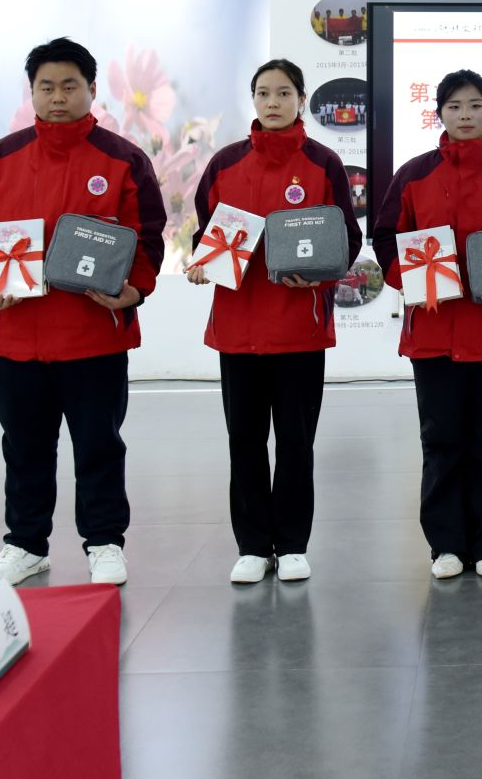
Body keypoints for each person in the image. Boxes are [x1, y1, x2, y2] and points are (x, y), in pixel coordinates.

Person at [0, 37, 164, 588]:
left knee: (99, 445)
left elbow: (148, 236)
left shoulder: (123, 159)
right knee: (24, 448)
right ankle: (25, 544)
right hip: (17, 332)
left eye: (69, 86)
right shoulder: (1, 158)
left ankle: (104, 542)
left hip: (94, 334)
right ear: (31, 92)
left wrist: (135, 290)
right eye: (46, 87)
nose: (57, 97)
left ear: (92, 90)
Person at [371, 70, 482, 580]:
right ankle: (445, 544)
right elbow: (386, 239)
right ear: (439, 114)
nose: (465, 115)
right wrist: (412, 282)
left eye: (474, 105)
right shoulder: (413, 176)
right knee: (442, 440)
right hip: (432, 333)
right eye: (454, 106)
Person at [188, 58, 360, 585]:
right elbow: (204, 232)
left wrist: (323, 272)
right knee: (244, 441)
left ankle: (291, 545)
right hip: (237, 329)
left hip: (299, 328)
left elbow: (347, 238)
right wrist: (201, 262)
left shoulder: (324, 163)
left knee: (295, 443)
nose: (273, 102)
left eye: (284, 93)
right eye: (263, 93)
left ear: (301, 100)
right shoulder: (225, 163)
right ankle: (251, 546)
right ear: (254, 100)